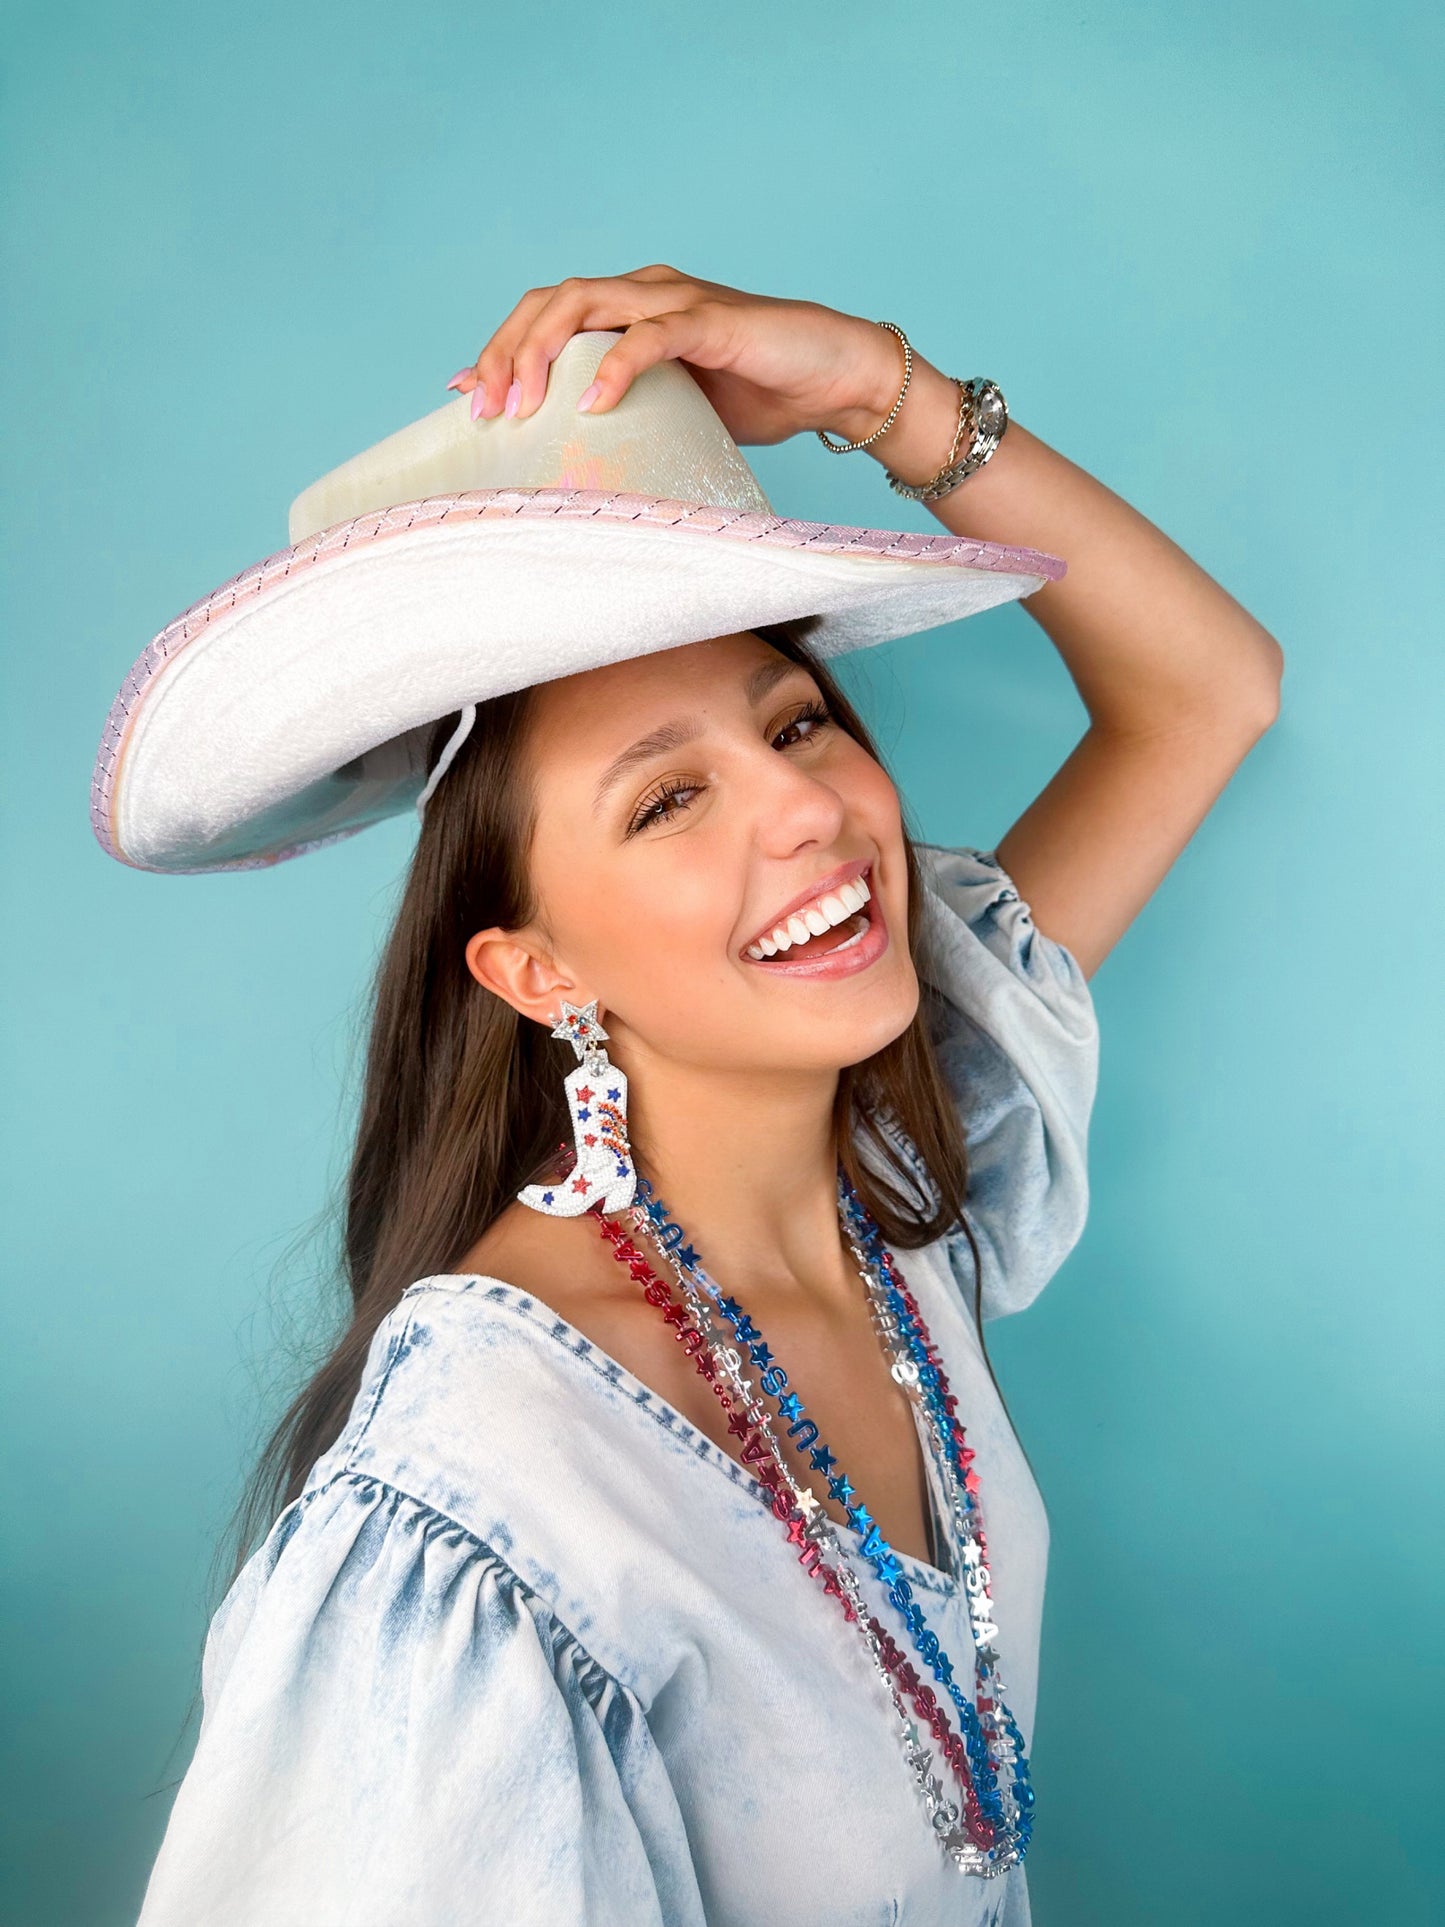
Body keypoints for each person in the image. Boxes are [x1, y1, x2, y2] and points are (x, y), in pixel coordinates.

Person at [99, 266, 1284, 1926]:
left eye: (795, 721)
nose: (801, 811)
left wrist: (879, 385)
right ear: (534, 972)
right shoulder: (475, 1504)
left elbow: (1208, 690)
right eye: (666, 803)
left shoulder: (889, 1179)